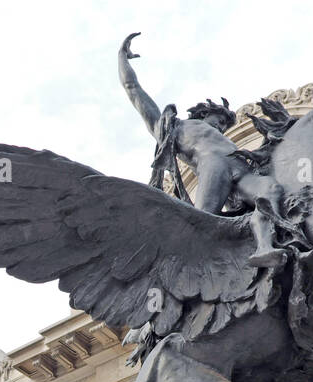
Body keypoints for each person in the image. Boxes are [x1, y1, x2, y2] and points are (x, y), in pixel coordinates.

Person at [118, 33, 287, 268]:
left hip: (240, 168)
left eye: (224, 126)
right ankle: (186, 267)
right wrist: (122, 59)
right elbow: (133, 89)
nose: (221, 127)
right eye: (219, 121)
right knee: (203, 221)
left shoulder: (225, 141)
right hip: (212, 165)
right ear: (203, 113)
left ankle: (264, 248)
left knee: (270, 191)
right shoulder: (176, 127)